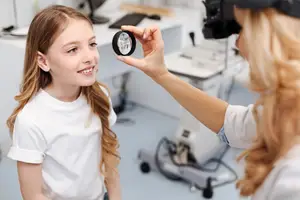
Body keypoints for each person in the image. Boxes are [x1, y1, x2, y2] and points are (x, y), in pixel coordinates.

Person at [116, 4, 300, 200]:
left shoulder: (293, 178)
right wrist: (161, 74)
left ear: (270, 34)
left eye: (241, 29)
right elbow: (234, 122)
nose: (238, 45)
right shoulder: (284, 110)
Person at [6, 5, 120, 200]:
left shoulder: (100, 96)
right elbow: (33, 196)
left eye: (92, 44)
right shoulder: (31, 120)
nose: (89, 57)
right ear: (43, 62)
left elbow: (109, 161)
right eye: (73, 50)